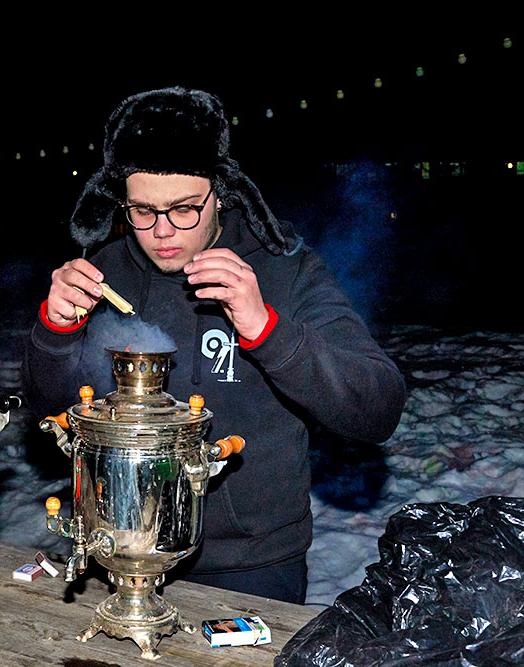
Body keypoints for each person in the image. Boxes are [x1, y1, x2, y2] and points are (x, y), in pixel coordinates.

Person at [23, 88, 407, 604]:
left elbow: (377, 407)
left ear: (221, 193)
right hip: (119, 544)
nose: (162, 232)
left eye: (184, 209)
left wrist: (265, 328)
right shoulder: (106, 272)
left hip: (250, 564)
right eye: (142, 210)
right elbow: (51, 411)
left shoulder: (285, 268)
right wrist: (56, 331)